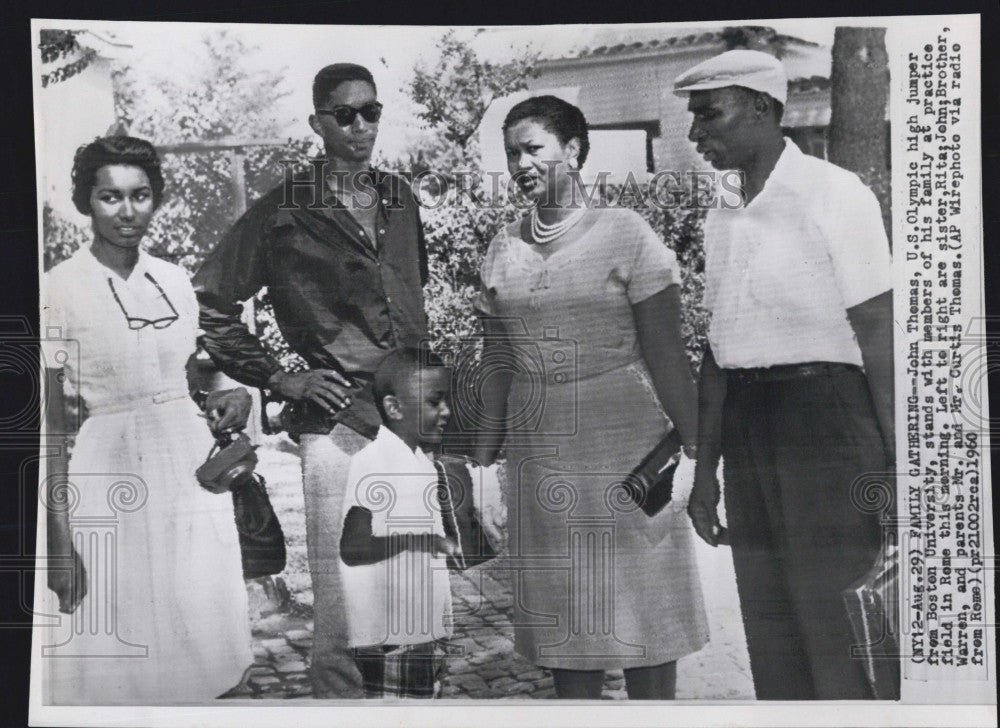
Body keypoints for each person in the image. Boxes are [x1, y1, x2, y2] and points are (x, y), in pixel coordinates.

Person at [191, 63, 429, 699]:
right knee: (347, 601)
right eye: (343, 114)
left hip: (408, 417)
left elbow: (411, 302)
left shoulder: (400, 198)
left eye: (370, 111)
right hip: (338, 422)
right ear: (317, 122)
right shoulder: (283, 211)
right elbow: (213, 303)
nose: (359, 125)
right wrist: (281, 377)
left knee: (411, 594)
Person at [674, 50, 896, 699]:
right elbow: (719, 351)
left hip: (825, 426)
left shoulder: (833, 193)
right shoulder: (722, 212)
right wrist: (706, 474)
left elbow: (878, 336)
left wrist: (899, 467)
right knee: (773, 629)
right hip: (749, 432)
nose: (695, 135)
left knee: (839, 627)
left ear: (764, 109)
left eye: (709, 115)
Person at [471, 95, 708, 699]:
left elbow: (667, 354)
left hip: (624, 437)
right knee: (562, 612)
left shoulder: (627, 234)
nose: (521, 163)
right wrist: (478, 464)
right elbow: (495, 366)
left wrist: (700, 453)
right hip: (539, 446)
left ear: (572, 150)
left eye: (533, 148)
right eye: (511, 153)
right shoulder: (501, 247)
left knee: (645, 612)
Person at [42, 135, 254, 704]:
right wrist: (58, 543)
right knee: (122, 632)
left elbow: (198, 372)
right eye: (110, 196)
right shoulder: (57, 290)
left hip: (187, 474)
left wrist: (231, 392)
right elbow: (49, 430)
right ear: (85, 201)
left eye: (140, 195)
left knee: (200, 629)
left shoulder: (175, 281)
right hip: (108, 472)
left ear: (155, 199)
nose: (127, 211)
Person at [339, 347, 459, 699]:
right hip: (390, 636)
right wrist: (420, 541)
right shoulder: (372, 462)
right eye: (434, 402)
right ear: (394, 408)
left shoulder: (422, 461)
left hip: (424, 630)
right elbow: (354, 547)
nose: (446, 412)